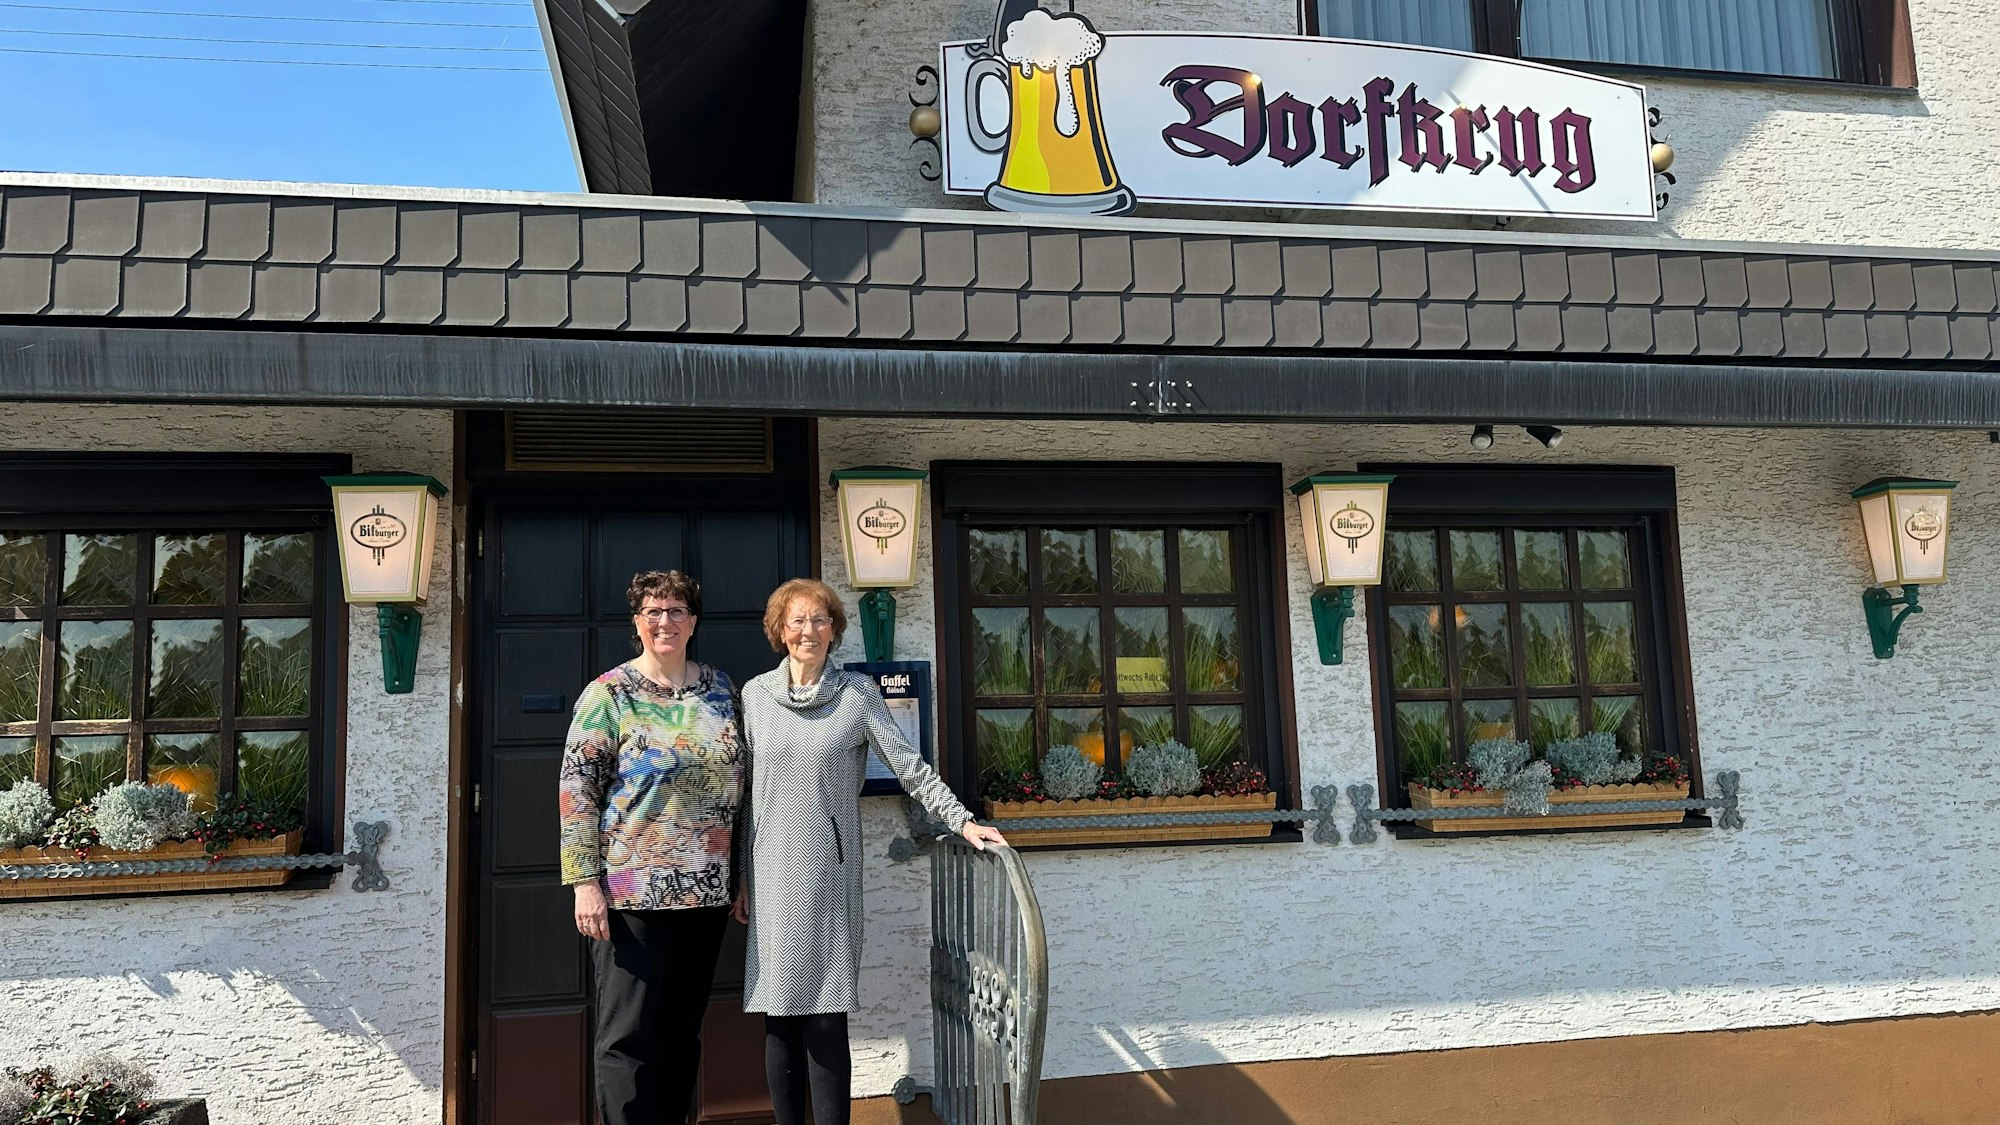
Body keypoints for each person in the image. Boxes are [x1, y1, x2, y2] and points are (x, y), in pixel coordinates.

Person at [736, 577, 1006, 1125]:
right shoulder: (755, 696)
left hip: (828, 876)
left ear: (834, 629)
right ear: (780, 631)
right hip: (769, 877)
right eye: (797, 620)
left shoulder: (857, 695)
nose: (809, 630)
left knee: (826, 1017)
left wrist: (961, 820)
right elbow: (746, 794)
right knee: (778, 1018)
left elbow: (909, 766)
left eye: (820, 619)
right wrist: (742, 876)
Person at [558, 569, 747, 1125]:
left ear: (693, 621)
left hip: (705, 893)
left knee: (682, 1032)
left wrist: (740, 874)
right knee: (628, 1037)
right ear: (637, 623)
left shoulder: (720, 689)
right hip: (631, 895)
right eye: (653, 612)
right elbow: (577, 791)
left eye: (677, 610)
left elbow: (746, 787)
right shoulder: (609, 693)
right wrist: (585, 883)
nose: (666, 621)